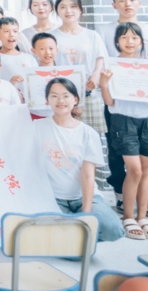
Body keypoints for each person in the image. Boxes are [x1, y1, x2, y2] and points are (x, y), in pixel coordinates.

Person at [100, 22, 148, 241]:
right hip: (123, 120)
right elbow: (109, 102)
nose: (130, 42)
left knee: (144, 171)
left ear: (141, 42)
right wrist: (104, 84)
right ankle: (128, 217)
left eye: (134, 38)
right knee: (133, 170)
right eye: (124, 37)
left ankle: (142, 217)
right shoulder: (112, 66)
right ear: (117, 41)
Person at [32, 78, 125, 242]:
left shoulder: (88, 133)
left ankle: (77, 236)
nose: (60, 101)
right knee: (64, 243)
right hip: (53, 198)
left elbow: (88, 175)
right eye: (54, 96)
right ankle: (74, 237)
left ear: (75, 100)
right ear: (47, 100)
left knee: (113, 230)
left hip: (83, 197)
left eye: (65, 96)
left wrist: (86, 213)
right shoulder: (36, 127)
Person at [53, 0, 108, 137]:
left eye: (73, 6)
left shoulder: (92, 35)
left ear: (80, 10)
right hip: (62, 96)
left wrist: (95, 75)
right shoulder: (52, 36)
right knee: (66, 137)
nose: (68, 11)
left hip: (89, 94)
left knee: (92, 138)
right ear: (57, 10)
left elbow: (101, 58)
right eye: (63, 7)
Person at [0, 17, 36, 86]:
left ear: (19, 34)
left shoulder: (29, 58)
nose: (11, 34)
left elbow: (36, 81)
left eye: (15, 31)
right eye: (6, 31)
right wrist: (10, 83)